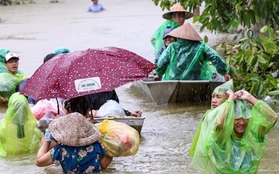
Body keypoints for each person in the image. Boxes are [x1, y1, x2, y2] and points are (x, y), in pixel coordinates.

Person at [192, 89, 278, 173]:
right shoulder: (222, 138)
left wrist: (249, 97)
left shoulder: (253, 135)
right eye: (237, 118)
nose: (242, 122)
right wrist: (229, 101)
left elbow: (272, 119)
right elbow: (218, 123)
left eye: (245, 117)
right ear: (229, 119)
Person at [36, 112, 113, 173]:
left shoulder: (61, 150)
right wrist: (113, 151)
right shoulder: (96, 146)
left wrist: (48, 141)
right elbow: (104, 165)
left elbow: (39, 162)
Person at [155, 23, 230, 81]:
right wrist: (224, 72)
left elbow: (162, 62)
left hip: (174, 80)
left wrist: (159, 74)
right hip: (197, 80)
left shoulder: (172, 47)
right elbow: (215, 57)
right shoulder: (202, 46)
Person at [188, 79, 233, 156]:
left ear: (227, 99)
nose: (214, 101)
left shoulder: (232, 117)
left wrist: (230, 101)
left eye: (218, 97)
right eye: (213, 96)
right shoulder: (209, 114)